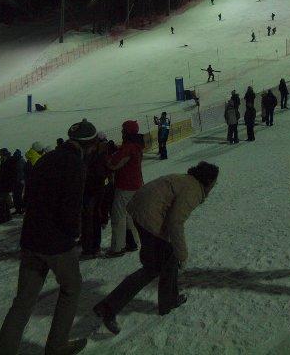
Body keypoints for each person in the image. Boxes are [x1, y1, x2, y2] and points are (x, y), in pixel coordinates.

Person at [0, 120, 93, 355]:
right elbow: (71, 205)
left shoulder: (45, 159)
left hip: (31, 238)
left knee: (23, 302)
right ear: (87, 145)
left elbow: (27, 198)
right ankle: (57, 345)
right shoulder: (75, 165)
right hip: (56, 243)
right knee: (72, 287)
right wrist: (74, 232)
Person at [93, 162, 219, 334]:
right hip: (149, 217)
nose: (214, 186)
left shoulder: (185, 180)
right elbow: (176, 222)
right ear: (208, 180)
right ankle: (108, 307)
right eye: (214, 183)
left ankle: (169, 300)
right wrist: (183, 255)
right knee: (154, 266)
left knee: (166, 259)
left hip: (140, 210)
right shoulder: (194, 190)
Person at [105, 121, 144, 257]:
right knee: (128, 215)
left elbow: (113, 164)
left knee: (118, 216)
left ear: (126, 132)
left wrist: (109, 155)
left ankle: (117, 247)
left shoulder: (128, 147)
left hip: (125, 186)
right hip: (136, 185)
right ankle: (133, 242)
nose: (121, 132)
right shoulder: (137, 146)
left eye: (123, 130)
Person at [80, 133, 112, 260]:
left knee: (89, 220)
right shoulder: (101, 154)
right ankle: (93, 247)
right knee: (93, 220)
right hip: (96, 190)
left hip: (91, 191)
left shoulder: (92, 155)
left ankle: (90, 249)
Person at [0, 148, 17, 224]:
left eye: (1, 154)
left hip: (5, 184)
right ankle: (7, 216)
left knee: (1, 202)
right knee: (4, 202)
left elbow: (9, 174)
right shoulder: (5, 160)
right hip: (3, 184)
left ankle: (3, 217)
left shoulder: (9, 161)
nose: (0, 155)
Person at [12, 149, 25, 214]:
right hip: (17, 181)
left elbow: (22, 172)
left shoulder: (20, 161)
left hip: (19, 181)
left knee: (18, 196)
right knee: (16, 196)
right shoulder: (18, 161)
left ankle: (20, 208)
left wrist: (22, 179)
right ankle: (18, 209)